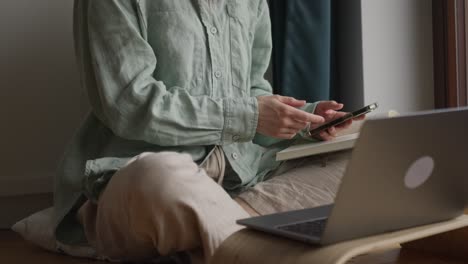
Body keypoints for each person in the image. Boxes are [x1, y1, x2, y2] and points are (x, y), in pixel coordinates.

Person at [54, 0, 360, 263]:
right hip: (150, 171)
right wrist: (250, 117)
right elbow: (130, 106)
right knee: (159, 176)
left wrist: (303, 122)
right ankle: (247, 231)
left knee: (365, 140)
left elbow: (254, 93)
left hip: (245, 173)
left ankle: (215, 228)